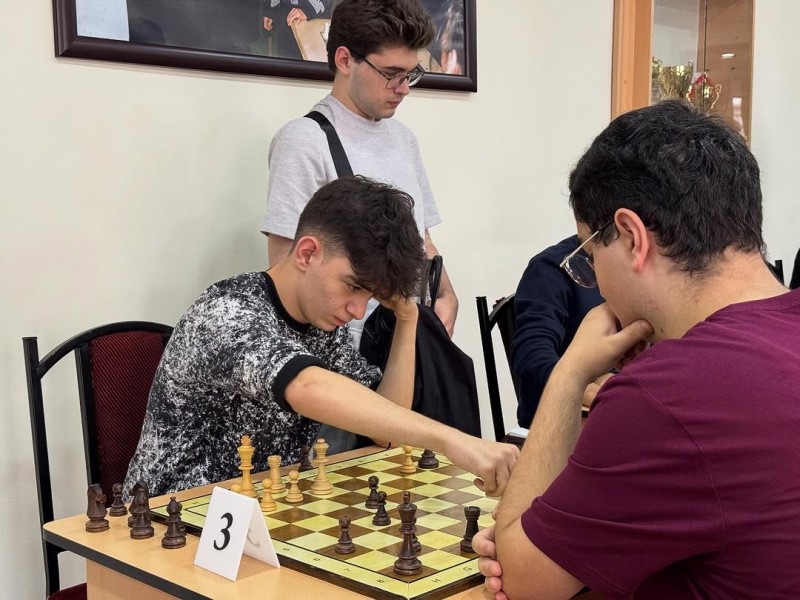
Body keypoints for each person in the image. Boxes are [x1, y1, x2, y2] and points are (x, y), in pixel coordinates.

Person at [473, 100, 800, 598]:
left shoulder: (667, 394)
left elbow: (524, 583)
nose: (597, 281)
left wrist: (571, 373)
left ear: (631, 237)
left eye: (590, 255)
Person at [124, 176, 517, 499]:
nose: (358, 311)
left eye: (370, 295)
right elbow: (307, 386)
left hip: (260, 514)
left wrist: (407, 316)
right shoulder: (226, 312)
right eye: (353, 286)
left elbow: (383, 430)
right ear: (307, 253)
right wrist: (452, 440)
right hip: (166, 524)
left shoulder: (321, 323)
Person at [262, 0, 459, 343]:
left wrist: (446, 295)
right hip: (345, 351)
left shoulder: (404, 140)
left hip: (411, 341)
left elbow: (421, 239)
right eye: (391, 74)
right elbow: (286, 274)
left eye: (410, 74)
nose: (404, 88)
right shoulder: (304, 141)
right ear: (344, 60)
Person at [511, 236, 604, 427]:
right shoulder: (551, 269)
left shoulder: (645, 262)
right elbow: (531, 354)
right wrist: (584, 387)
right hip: (561, 423)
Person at [261, 0, 332, 59]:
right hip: (287, 20)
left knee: (312, 64)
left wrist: (307, 9)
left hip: (314, 19)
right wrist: (271, 10)